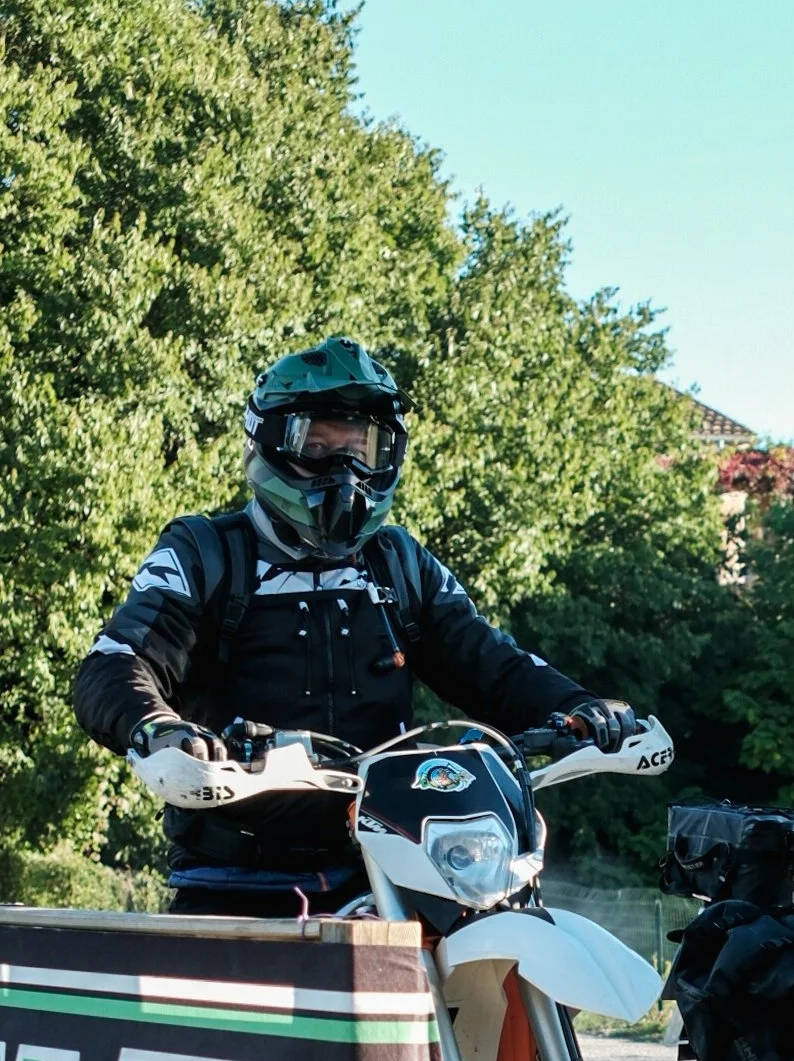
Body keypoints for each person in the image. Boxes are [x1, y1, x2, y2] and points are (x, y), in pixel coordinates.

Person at [73, 336, 636, 917]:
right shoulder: (205, 552)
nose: (345, 471)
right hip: (239, 883)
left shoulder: (398, 561)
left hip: (398, 868)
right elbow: (115, 663)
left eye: (362, 450)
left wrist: (582, 707)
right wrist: (159, 729)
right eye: (317, 445)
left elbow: (489, 661)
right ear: (267, 443)